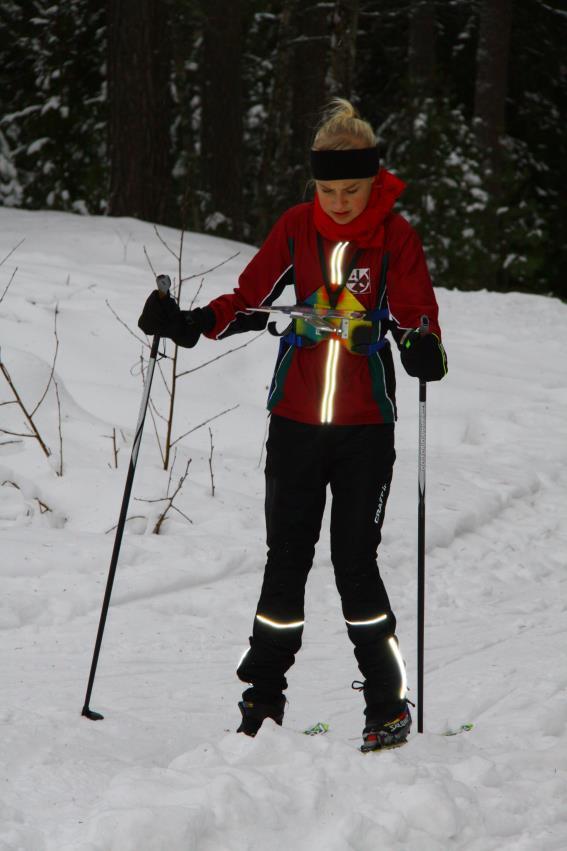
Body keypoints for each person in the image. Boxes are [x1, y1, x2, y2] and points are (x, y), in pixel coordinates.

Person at [138, 98, 447, 751]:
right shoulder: (295, 227)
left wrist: (423, 349)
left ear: (373, 181)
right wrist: (190, 322)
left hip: (366, 425)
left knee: (353, 562)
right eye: (327, 189)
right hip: (296, 423)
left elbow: (420, 319)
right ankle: (262, 701)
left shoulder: (394, 236)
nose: (338, 202)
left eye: (351, 189)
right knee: (285, 562)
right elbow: (248, 298)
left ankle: (387, 703)